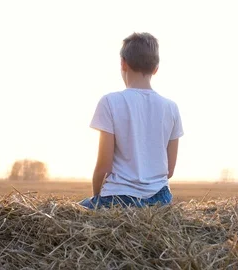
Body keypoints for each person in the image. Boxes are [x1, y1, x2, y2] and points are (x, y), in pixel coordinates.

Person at [79, 32, 184, 209]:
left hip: (119, 198)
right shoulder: (171, 107)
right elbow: (169, 170)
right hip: (161, 199)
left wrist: (97, 197)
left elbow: (103, 167)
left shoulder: (109, 102)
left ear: (123, 63)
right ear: (156, 68)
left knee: (77, 209)